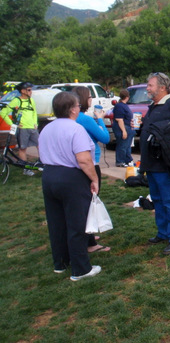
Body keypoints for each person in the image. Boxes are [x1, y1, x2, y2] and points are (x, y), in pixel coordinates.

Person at [39, 91, 101, 281]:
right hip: (71, 178)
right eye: (77, 106)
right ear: (73, 109)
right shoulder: (75, 129)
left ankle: (61, 263)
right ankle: (81, 269)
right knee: (77, 223)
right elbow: (83, 160)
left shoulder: (46, 128)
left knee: (57, 222)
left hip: (49, 176)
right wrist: (94, 179)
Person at [140, 72, 170, 255]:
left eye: (150, 85)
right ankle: (163, 232)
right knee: (157, 200)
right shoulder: (154, 106)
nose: (147, 88)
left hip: (165, 166)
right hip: (151, 164)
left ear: (162, 88)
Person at [73, 87, 111, 254]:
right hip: (90, 162)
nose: (91, 100)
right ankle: (90, 242)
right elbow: (105, 138)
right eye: (89, 97)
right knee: (91, 200)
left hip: (73, 166)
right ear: (83, 100)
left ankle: (88, 235)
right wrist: (100, 119)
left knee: (83, 201)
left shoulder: (70, 120)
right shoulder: (85, 120)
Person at [0, 82, 39, 176]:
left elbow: (34, 112)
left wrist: (35, 123)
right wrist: (13, 124)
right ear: (22, 91)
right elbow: (3, 112)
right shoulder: (16, 100)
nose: (31, 92)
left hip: (32, 128)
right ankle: (26, 169)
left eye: (31, 90)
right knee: (23, 148)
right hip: (23, 129)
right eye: (29, 90)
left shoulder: (31, 100)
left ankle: (43, 163)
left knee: (40, 145)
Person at [112, 89, 135, 167]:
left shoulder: (124, 105)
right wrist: (124, 131)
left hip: (128, 127)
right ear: (127, 97)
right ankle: (120, 161)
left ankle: (128, 159)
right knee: (122, 145)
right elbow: (119, 119)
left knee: (127, 145)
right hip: (122, 128)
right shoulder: (119, 106)